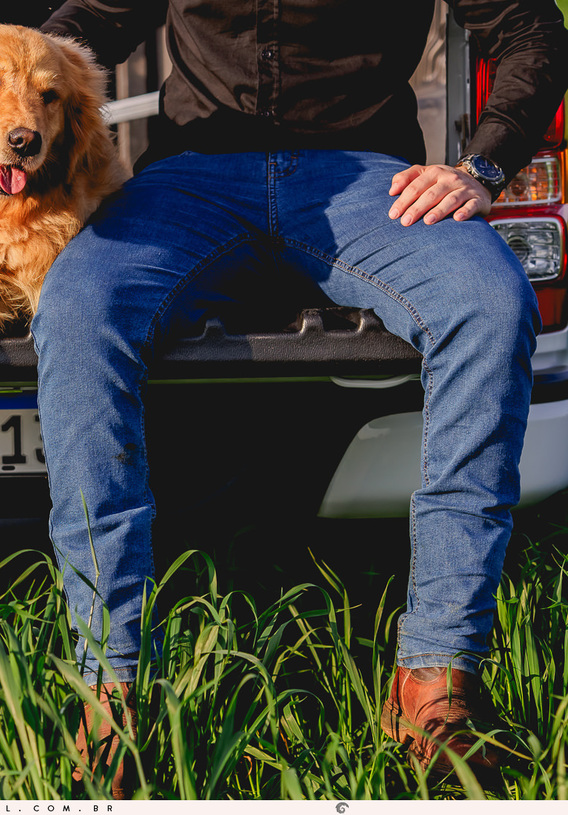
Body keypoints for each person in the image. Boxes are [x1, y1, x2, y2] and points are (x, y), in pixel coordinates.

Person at [34, 0, 568, 794]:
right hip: (191, 179)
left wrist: (480, 167)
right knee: (76, 309)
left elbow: (531, 28)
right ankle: (112, 689)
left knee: (491, 302)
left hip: (366, 179)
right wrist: (5, 72)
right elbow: (92, 24)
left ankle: (435, 675)